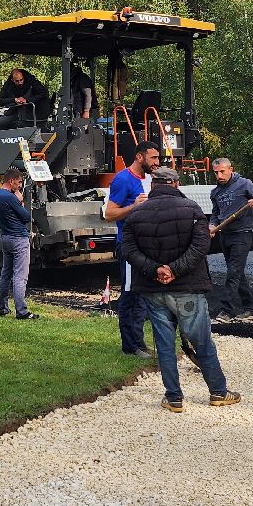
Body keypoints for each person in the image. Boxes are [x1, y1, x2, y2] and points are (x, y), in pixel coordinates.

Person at [121, 165, 239, 413]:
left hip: (154, 290)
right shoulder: (192, 210)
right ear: (175, 184)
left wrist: (157, 270)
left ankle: (174, 398)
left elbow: (129, 251)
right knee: (202, 342)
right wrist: (175, 269)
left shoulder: (135, 214)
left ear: (152, 186)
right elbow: (200, 246)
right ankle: (218, 392)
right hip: (187, 288)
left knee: (164, 344)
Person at [104, 140, 159, 357]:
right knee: (130, 293)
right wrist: (134, 207)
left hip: (146, 246)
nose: (157, 162)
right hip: (129, 246)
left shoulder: (151, 179)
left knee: (143, 294)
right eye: (153, 158)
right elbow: (109, 214)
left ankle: (139, 341)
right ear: (139, 157)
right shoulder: (123, 179)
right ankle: (130, 346)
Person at [208, 158, 253, 322]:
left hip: (242, 234)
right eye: (216, 172)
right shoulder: (215, 192)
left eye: (222, 171)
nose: (219, 175)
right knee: (237, 272)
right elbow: (215, 214)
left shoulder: (245, 184)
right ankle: (250, 308)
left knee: (233, 272)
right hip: (225, 235)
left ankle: (227, 310)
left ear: (230, 169)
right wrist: (212, 225)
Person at [0, 166, 38, 320]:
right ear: (10, 181)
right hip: (19, 239)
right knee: (20, 276)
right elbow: (26, 217)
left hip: (6, 238)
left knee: (6, 274)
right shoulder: (11, 198)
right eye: (18, 183)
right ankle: (22, 311)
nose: (20, 186)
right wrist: (21, 201)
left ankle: (3, 308)